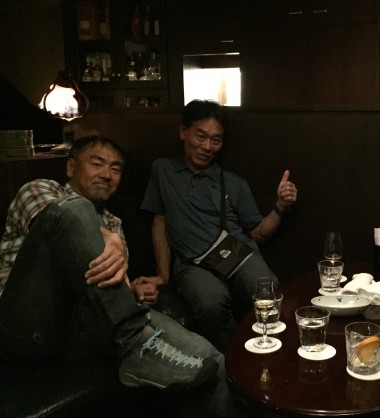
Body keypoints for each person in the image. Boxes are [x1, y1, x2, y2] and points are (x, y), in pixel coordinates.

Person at [0, 136, 243, 417]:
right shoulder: (38, 189)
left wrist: (133, 290)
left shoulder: (114, 223)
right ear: (71, 167)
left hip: (89, 327)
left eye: (115, 168)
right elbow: (59, 221)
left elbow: (111, 288)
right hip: (27, 320)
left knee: (211, 362)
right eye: (97, 163)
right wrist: (107, 237)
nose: (107, 174)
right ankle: (134, 342)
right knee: (76, 208)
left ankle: (136, 342)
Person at [140, 99, 298, 351]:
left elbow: (259, 233)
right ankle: (232, 359)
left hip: (236, 254)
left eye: (216, 140)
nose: (207, 146)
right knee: (210, 302)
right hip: (192, 263)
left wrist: (280, 206)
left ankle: (277, 353)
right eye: (201, 136)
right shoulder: (163, 170)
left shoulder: (233, 182)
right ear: (183, 131)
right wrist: (164, 274)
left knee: (267, 291)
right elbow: (159, 221)